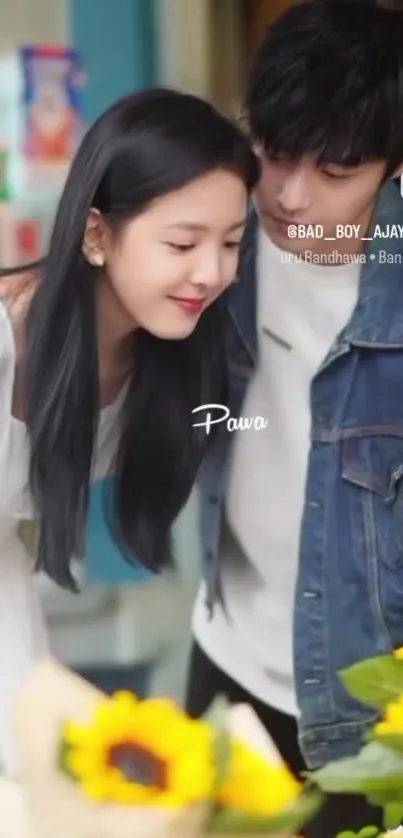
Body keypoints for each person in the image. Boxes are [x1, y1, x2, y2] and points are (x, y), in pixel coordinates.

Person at [186, 2, 403, 837]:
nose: (289, 194)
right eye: (273, 154)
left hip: (370, 722)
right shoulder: (215, 240)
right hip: (227, 657)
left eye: (334, 168)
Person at [0, 86, 259, 775]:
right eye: (182, 242)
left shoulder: (165, 370)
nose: (212, 273)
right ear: (95, 234)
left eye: (231, 242)